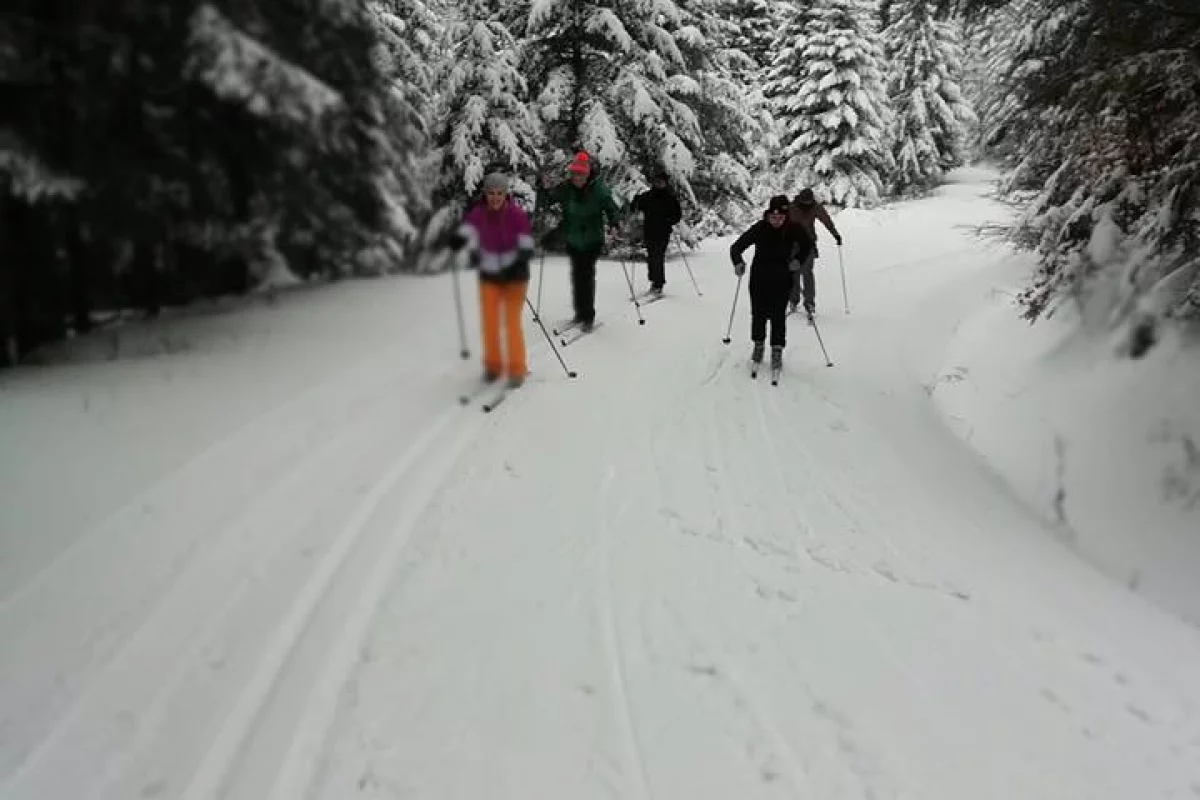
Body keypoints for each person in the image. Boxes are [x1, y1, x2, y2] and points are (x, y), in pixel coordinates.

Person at [449, 171, 535, 387]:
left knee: (511, 323)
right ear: (485, 194)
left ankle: (517, 369)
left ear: (506, 194)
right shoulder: (478, 213)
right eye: (491, 193)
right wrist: (457, 240)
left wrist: (517, 266)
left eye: (499, 193)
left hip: (515, 277)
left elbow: (526, 247)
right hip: (489, 275)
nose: (495, 197)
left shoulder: (516, 216)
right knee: (490, 322)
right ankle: (493, 365)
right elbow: (467, 230)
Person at [539, 151, 621, 330]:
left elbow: (612, 208)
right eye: (574, 174)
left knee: (586, 274)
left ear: (587, 174)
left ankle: (588, 316)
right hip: (573, 237)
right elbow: (549, 199)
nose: (576, 178)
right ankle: (579, 313)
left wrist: (614, 223)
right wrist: (543, 188)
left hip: (592, 238)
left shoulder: (599, 190)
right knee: (577, 275)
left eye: (580, 174)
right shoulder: (566, 188)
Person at [730, 195, 812, 371]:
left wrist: (799, 259)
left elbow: (807, 245)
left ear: (786, 216)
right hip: (759, 278)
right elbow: (736, 247)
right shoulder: (760, 228)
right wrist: (738, 262)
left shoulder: (793, 229)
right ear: (767, 215)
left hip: (782, 279)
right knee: (758, 314)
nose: (776, 221)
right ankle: (758, 346)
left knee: (777, 316)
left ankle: (777, 350)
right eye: (773, 217)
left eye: (780, 218)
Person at [787, 188, 842, 318]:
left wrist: (836, 235)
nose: (807, 204)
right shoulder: (791, 207)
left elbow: (826, 221)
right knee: (793, 274)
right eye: (805, 202)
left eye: (809, 202)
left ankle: (809, 303)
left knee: (807, 273)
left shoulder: (815, 207)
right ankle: (793, 301)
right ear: (800, 199)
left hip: (809, 244)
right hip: (792, 245)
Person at [630, 169, 682, 296]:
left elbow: (677, 215)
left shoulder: (670, 198)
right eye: (656, 182)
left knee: (658, 257)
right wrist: (635, 201)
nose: (658, 184)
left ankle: (659, 284)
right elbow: (635, 206)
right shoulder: (648, 196)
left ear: (665, 183)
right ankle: (654, 282)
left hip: (663, 233)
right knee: (651, 258)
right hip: (649, 231)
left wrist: (669, 220)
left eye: (661, 182)